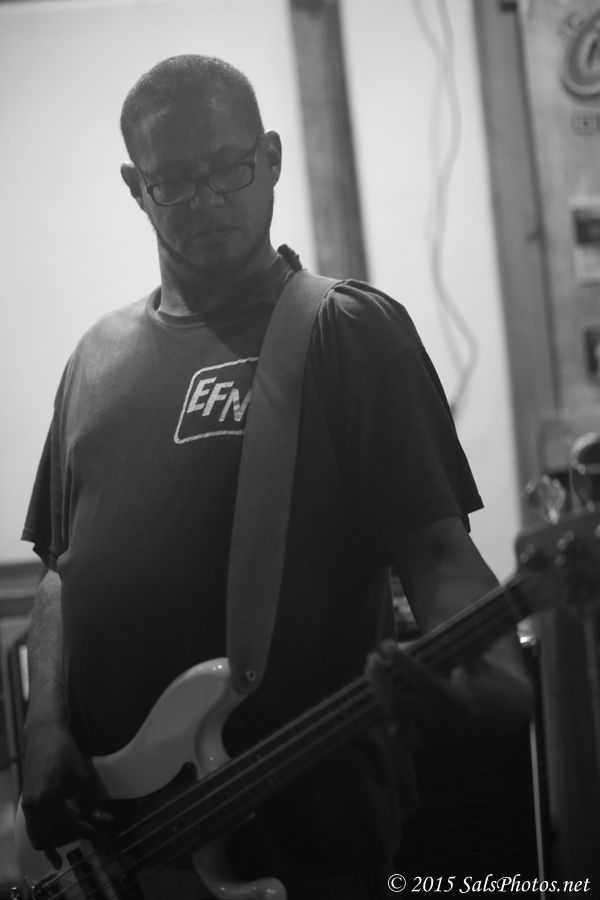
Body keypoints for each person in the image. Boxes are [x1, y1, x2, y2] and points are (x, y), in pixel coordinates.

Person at [20, 55, 533, 900]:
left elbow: (438, 550)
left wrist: (497, 670)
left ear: (272, 157)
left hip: (306, 850)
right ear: (136, 188)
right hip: (117, 851)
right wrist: (43, 726)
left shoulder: (348, 330)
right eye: (173, 181)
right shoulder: (93, 360)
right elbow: (58, 573)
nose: (207, 200)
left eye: (230, 167)